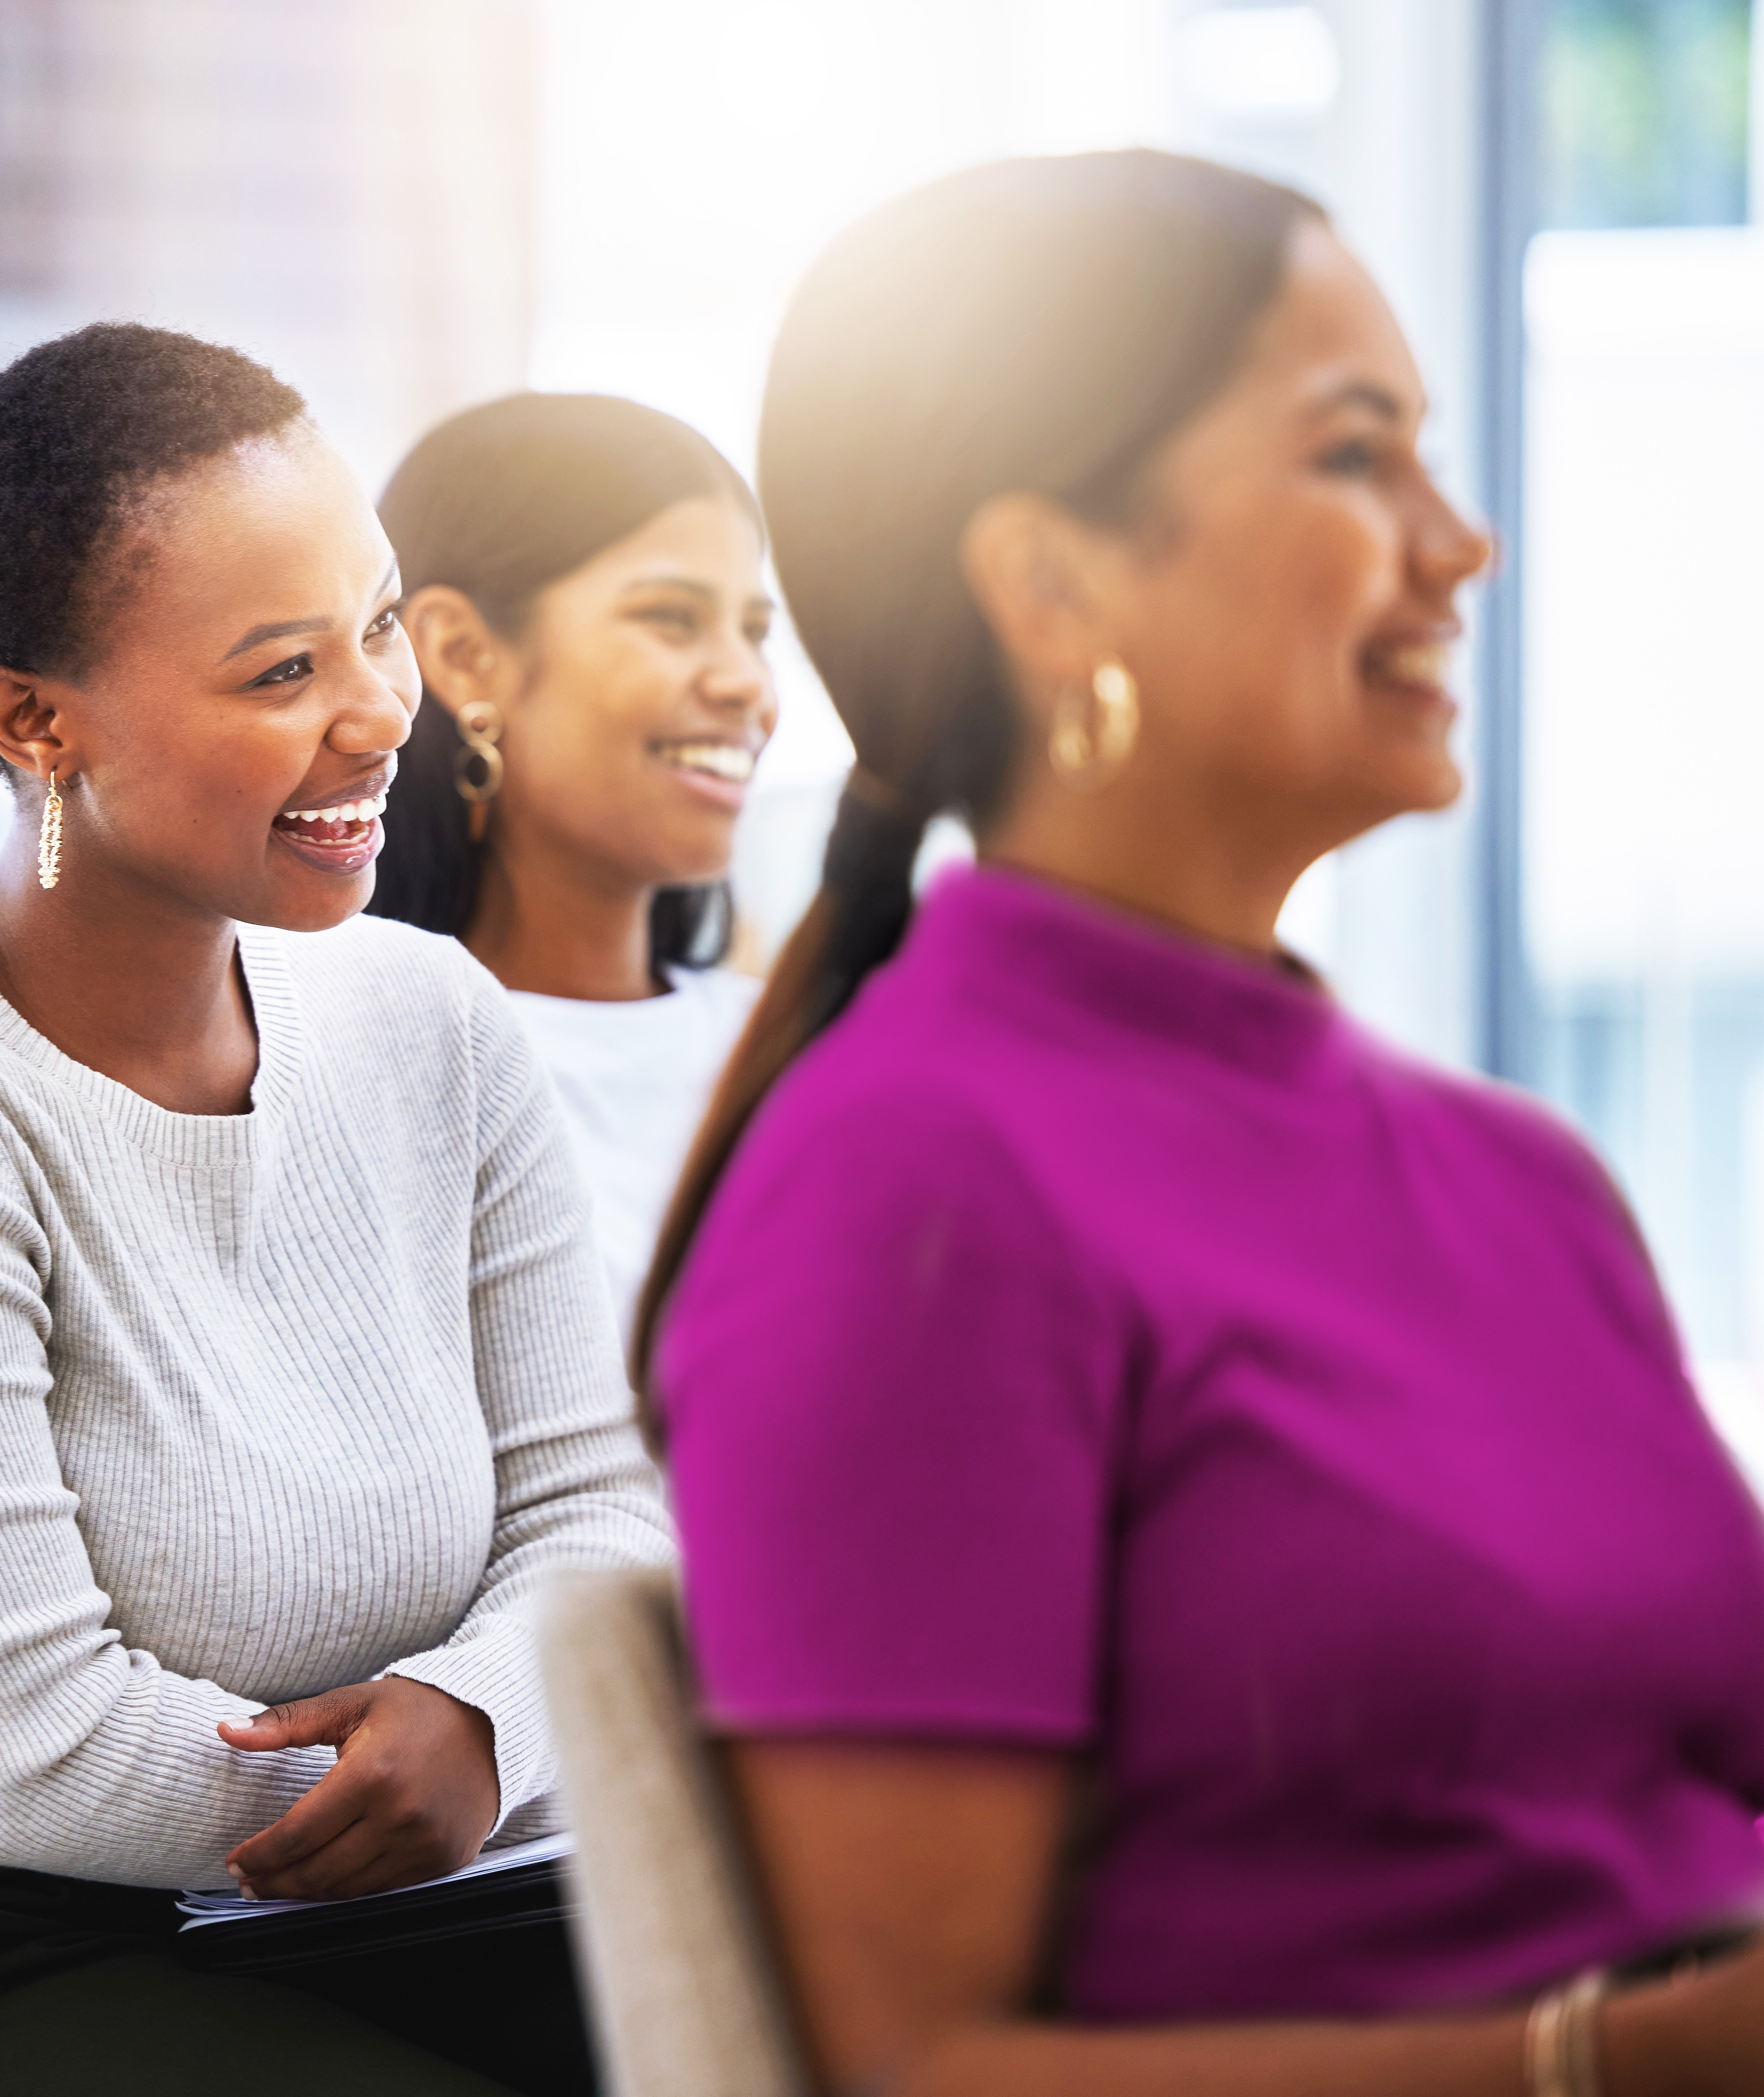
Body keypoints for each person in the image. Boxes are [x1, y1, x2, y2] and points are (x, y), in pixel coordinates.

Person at [645, 150, 1764, 2095]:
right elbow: (920, 2071)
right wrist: (1619, 2062)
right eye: (1354, 457)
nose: (1458, 541)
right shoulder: (905, 1191)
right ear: (1053, 583)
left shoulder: (1525, 1179)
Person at [0, 323, 670, 2095]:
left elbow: (602, 1500)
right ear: (33, 721)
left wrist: (483, 1720)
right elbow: (28, 1755)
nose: (380, 710)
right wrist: (418, 1780)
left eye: (376, 623)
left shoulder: (432, 1021)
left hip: (407, 1888)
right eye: (282, 667)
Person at [365, 395, 775, 1326]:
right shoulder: (338, 1082)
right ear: (465, 656)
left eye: (754, 630)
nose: (746, 683)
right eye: (672, 619)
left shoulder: (797, 1052)